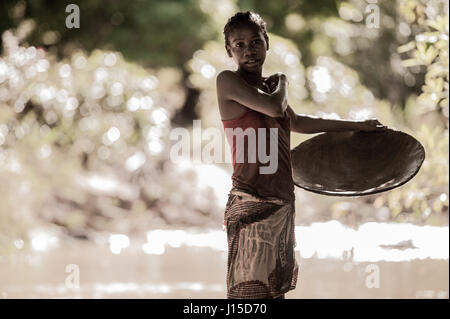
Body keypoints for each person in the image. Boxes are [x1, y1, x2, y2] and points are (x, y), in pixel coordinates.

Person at [216, 11, 386, 299]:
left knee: (275, 293)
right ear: (229, 50)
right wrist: (282, 81)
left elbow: (299, 122)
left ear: (267, 43)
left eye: (255, 42)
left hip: (281, 203)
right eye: (239, 44)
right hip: (251, 203)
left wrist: (358, 126)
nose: (249, 50)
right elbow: (274, 108)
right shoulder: (230, 82)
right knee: (249, 297)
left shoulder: (268, 90)